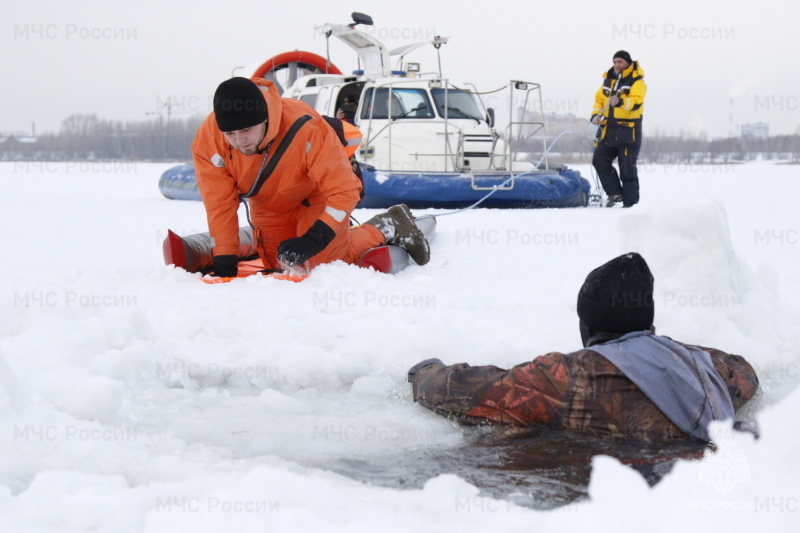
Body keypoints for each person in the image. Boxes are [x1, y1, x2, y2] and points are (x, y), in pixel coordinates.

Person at [408, 253, 759, 443]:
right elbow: (744, 371)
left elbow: (466, 393)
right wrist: (668, 347)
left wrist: (424, 371)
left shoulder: (567, 378)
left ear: (587, 325)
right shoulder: (705, 369)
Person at [191, 77, 429, 277]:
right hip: (269, 205)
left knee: (318, 266)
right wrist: (224, 260)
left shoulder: (306, 127)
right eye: (230, 133)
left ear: (265, 119)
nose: (239, 141)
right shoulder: (209, 142)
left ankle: (386, 225)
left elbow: (344, 190)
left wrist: (315, 239)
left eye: (246, 130)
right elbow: (219, 204)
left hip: (314, 197)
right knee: (279, 266)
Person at [590, 51, 647, 208]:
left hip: (628, 133)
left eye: (620, 62)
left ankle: (630, 205)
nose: (617, 65)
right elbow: (599, 100)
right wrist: (595, 115)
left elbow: (636, 102)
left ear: (628, 63)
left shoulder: (637, 81)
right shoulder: (608, 81)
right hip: (608, 131)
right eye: (615, 61)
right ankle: (615, 194)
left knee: (627, 169)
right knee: (599, 160)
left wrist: (621, 101)